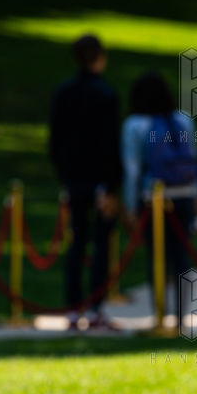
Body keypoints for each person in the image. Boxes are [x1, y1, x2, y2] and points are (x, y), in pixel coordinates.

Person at [48, 34, 122, 331]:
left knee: (77, 242)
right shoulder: (106, 95)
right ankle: (94, 307)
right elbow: (110, 144)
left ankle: (73, 307)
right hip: (99, 180)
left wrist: (65, 176)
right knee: (100, 245)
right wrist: (110, 184)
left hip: (74, 179)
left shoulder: (63, 93)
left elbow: (56, 141)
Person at [121, 71, 197, 332]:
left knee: (156, 257)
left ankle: (159, 315)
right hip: (184, 194)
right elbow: (194, 161)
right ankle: (180, 317)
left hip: (152, 198)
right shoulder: (183, 120)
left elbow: (132, 169)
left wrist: (130, 206)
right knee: (181, 257)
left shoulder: (135, 125)